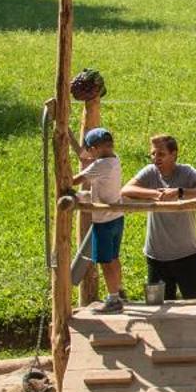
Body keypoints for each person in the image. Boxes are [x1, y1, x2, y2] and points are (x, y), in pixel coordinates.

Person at [122, 134, 196, 300]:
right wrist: (155, 194)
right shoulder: (150, 172)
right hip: (156, 257)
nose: (156, 158)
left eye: (161, 154)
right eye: (153, 154)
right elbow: (126, 189)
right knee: (159, 310)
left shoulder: (187, 172)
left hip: (187, 256)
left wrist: (179, 192)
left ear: (174, 154)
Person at [71, 125, 126, 312]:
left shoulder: (99, 165)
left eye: (90, 151)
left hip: (104, 220)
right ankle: (119, 290)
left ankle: (113, 300)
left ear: (94, 149)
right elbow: (99, 187)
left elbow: (74, 181)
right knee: (114, 258)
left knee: (105, 262)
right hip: (117, 216)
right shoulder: (114, 159)